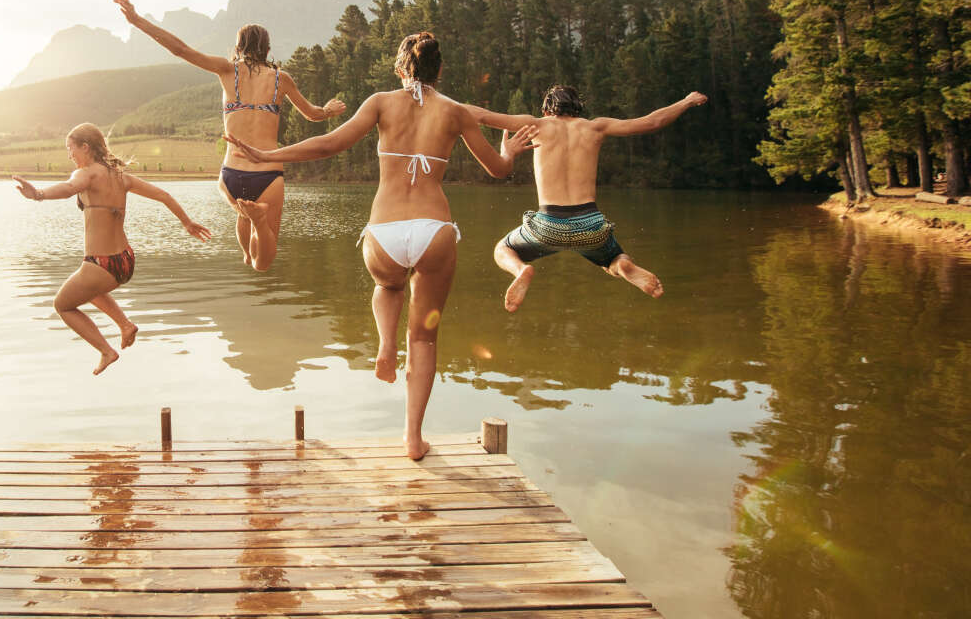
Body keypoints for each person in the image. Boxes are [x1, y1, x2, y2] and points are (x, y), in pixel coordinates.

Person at [225, 32, 535, 460]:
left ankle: (386, 344)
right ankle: (413, 438)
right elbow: (498, 170)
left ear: (399, 67)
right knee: (424, 340)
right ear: (439, 70)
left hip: (385, 231)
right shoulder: (457, 112)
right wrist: (510, 147)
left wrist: (267, 155)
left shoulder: (381, 102)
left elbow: (329, 144)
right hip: (434, 229)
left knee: (388, 286)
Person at [115, 0, 346, 271]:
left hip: (231, 174)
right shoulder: (281, 79)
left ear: (238, 47)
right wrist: (330, 110)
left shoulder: (227, 70)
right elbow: (313, 114)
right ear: (268, 49)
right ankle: (258, 225)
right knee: (264, 262)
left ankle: (247, 246)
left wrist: (137, 21)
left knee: (244, 220)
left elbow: (180, 49)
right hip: (268, 174)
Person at [466, 85, 708, 312]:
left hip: (548, 225)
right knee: (613, 258)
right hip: (590, 226)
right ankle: (623, 266)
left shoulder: (535, 125)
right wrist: (686, 101)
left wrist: (435, 102)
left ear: (546, 109)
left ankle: (520, 271)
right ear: (578, 108)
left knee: (503, 248)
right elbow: (652, 121)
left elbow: (482, 115)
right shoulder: (596, 127)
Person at [14, 123, 211, 375]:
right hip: (125, 261)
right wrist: (186, 222)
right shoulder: (121, 177)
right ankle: (125, 325)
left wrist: (38, 194)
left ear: (85, 147)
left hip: (101, 264)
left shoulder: (86, 173)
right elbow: (163, 195)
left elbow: (69, 189)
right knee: (86, 288)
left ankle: (107, 351)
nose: (69, 155)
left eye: (70, 148)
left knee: (62, 305)